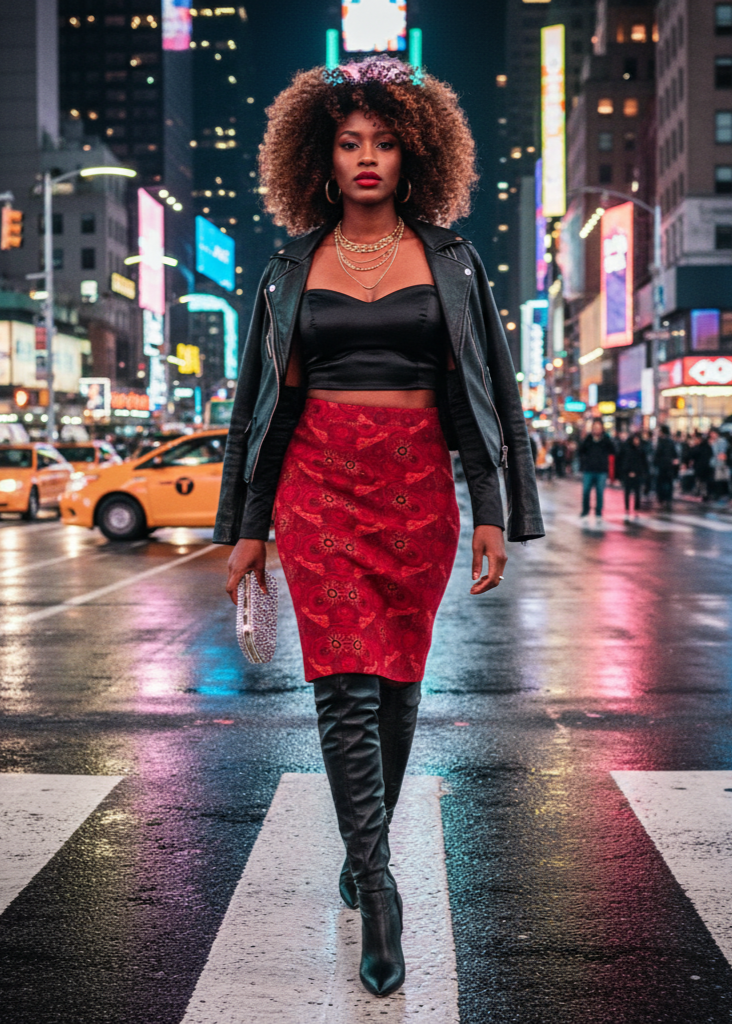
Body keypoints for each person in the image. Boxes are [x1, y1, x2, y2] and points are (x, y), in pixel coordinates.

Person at [212, 57, 544, 998]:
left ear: (414, 156)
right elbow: (254, 408)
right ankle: (382, 886)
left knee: (396, 687)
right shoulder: (288, 268)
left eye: (385, 143)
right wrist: (247, 525)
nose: (367, 159)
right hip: (315, 490)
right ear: (320, 157)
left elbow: (485, 395)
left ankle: (363, 854)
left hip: (415, 494)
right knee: (344, 690)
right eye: (350, 142)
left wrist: (494, 509)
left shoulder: (454, 260)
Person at [578, 418, 616, 520]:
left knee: (600, 492)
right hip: (589, 469)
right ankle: (585, 510)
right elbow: (580, 451)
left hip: (601, 470)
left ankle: (598, 512)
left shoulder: (606, 440)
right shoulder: (588, 439)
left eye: (599, 427)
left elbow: (613, 451)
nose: (597, 430)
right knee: (586, 491)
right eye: (595, 427)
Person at [620, 432, 648, 518]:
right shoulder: (627, 449)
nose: (637, 441)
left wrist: (643, 473)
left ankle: (636, 507)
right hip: (628, 473)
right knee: (627, 491)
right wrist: (627, 472)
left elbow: (643, 462)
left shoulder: (641, 449)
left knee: (637, 491)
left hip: (638, 473)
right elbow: (624, 461)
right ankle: (627, 507)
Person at [654, 424, 679, 510]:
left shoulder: (661, 442)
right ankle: (667, 498)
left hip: (663, 466)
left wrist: (656, 463)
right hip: (669, 466)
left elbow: (657, 455)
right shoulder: (670, 442)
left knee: (662, 483)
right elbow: (675, 454)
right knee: (669, 483)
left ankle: (663, 498)